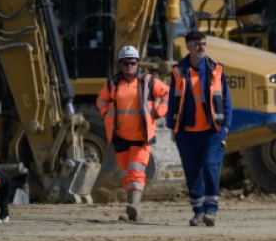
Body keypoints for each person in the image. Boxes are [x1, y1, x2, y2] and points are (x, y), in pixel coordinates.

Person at [95, 45, 169, 222]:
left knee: (136, 172)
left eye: (133, 63)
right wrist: (106, 113)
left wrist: (159, 110)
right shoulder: (113, 84)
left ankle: (134, 206)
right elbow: (100, 100)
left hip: (141, 138)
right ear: (121, 65)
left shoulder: (148, 82)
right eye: (126, 63)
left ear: (138, 64)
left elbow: (167, 92)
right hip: (120, 138)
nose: (129, 66)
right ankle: (131, 210)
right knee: (127, 173)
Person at [166, 30, 232, 227]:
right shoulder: (178, 71)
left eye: (203, 43)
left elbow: (226, 99)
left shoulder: (216, 69)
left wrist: (226, 125)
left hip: (213, 131)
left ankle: (211, 210)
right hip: (186, 133)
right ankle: (198, 212)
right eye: (197, 44)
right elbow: (172, 100)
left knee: (211, 166)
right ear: (188, 46)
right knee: (192, 172)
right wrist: (172, 126)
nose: (202, 47)